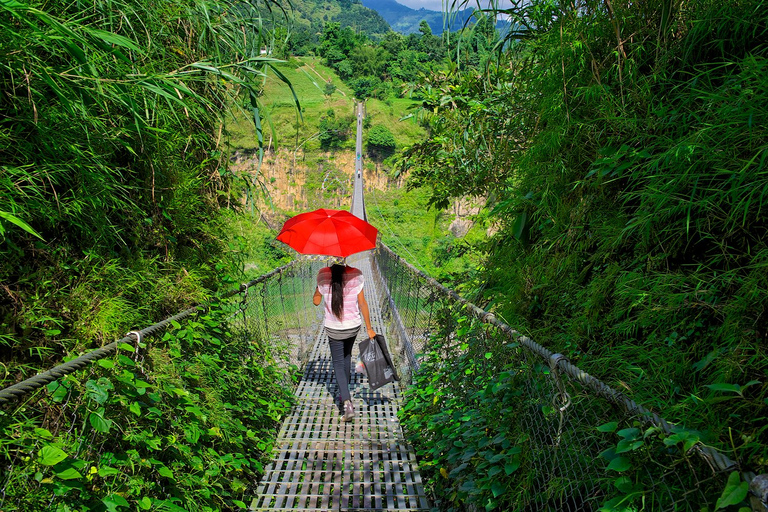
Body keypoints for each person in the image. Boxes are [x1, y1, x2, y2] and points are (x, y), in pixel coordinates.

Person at [313, 262, 376, 422]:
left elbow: (316, 302)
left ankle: (347, 402)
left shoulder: (322, 275)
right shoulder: (357, 274)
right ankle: (344, 390)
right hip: (353, 326)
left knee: (338, 363)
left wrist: (318, 289)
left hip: (333, 328)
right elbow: (362, 303)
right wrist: (369, 328)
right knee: (347, 356)